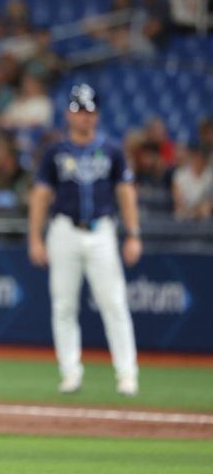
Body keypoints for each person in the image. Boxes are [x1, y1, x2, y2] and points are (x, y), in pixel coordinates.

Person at [28, 83, 142, 397]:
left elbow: (126, 192)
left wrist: (133, 234)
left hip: (102, 230)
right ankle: (70, 372)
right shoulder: (55, 151)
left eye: (90, 111)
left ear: (98, 114)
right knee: (64, 304)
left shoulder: (113, 149)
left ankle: (127, 374)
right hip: (64, 230)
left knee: (114, 303)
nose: (85, 117)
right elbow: (40, 195)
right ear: (68, 113)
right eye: (79, 110)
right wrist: (35, 237)